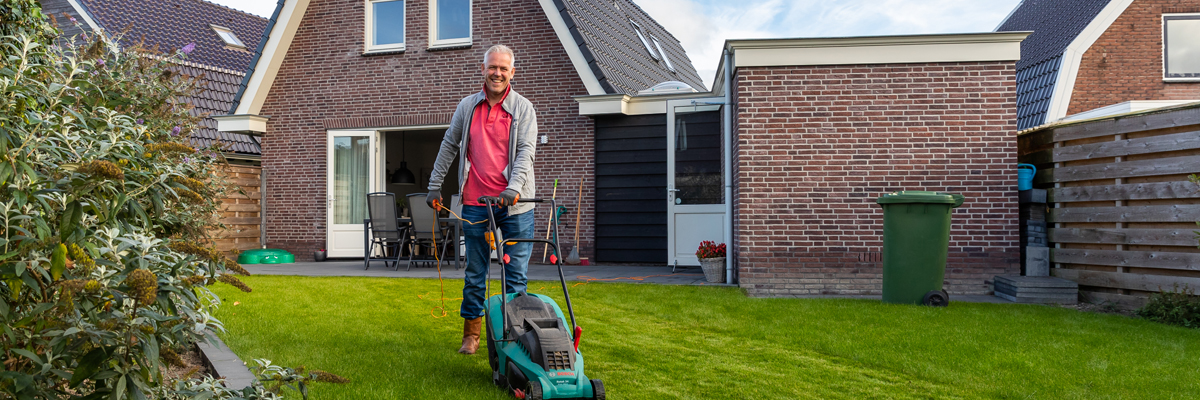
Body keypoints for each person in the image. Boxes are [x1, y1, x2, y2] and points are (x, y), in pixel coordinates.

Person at [426, 44, 538, 355]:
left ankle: (518, 336)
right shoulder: (467, 107)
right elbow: (450, 144)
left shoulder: (523, 108)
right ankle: (471, 336)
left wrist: (513, 188)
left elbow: (526, 153)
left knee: (516, 274)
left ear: (512, 72)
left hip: (515, 205)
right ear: (483, 68)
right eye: (493, 67)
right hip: (475, 202)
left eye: (503, 68)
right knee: (475, 271)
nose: (497, 73)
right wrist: (434, 185)